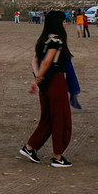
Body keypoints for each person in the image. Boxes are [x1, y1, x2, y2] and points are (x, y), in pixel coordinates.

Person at [19, 11, 73, 167]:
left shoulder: (43, 40)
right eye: (63, 21)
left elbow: (35, 60)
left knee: (48, 118)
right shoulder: (56, 41)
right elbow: (46, 62)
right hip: (55, 82)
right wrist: (37, 80)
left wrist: (38, 79)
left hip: (46, 84)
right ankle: (58, 157)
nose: (65, 23)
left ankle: (30, 147)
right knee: (60, 118)